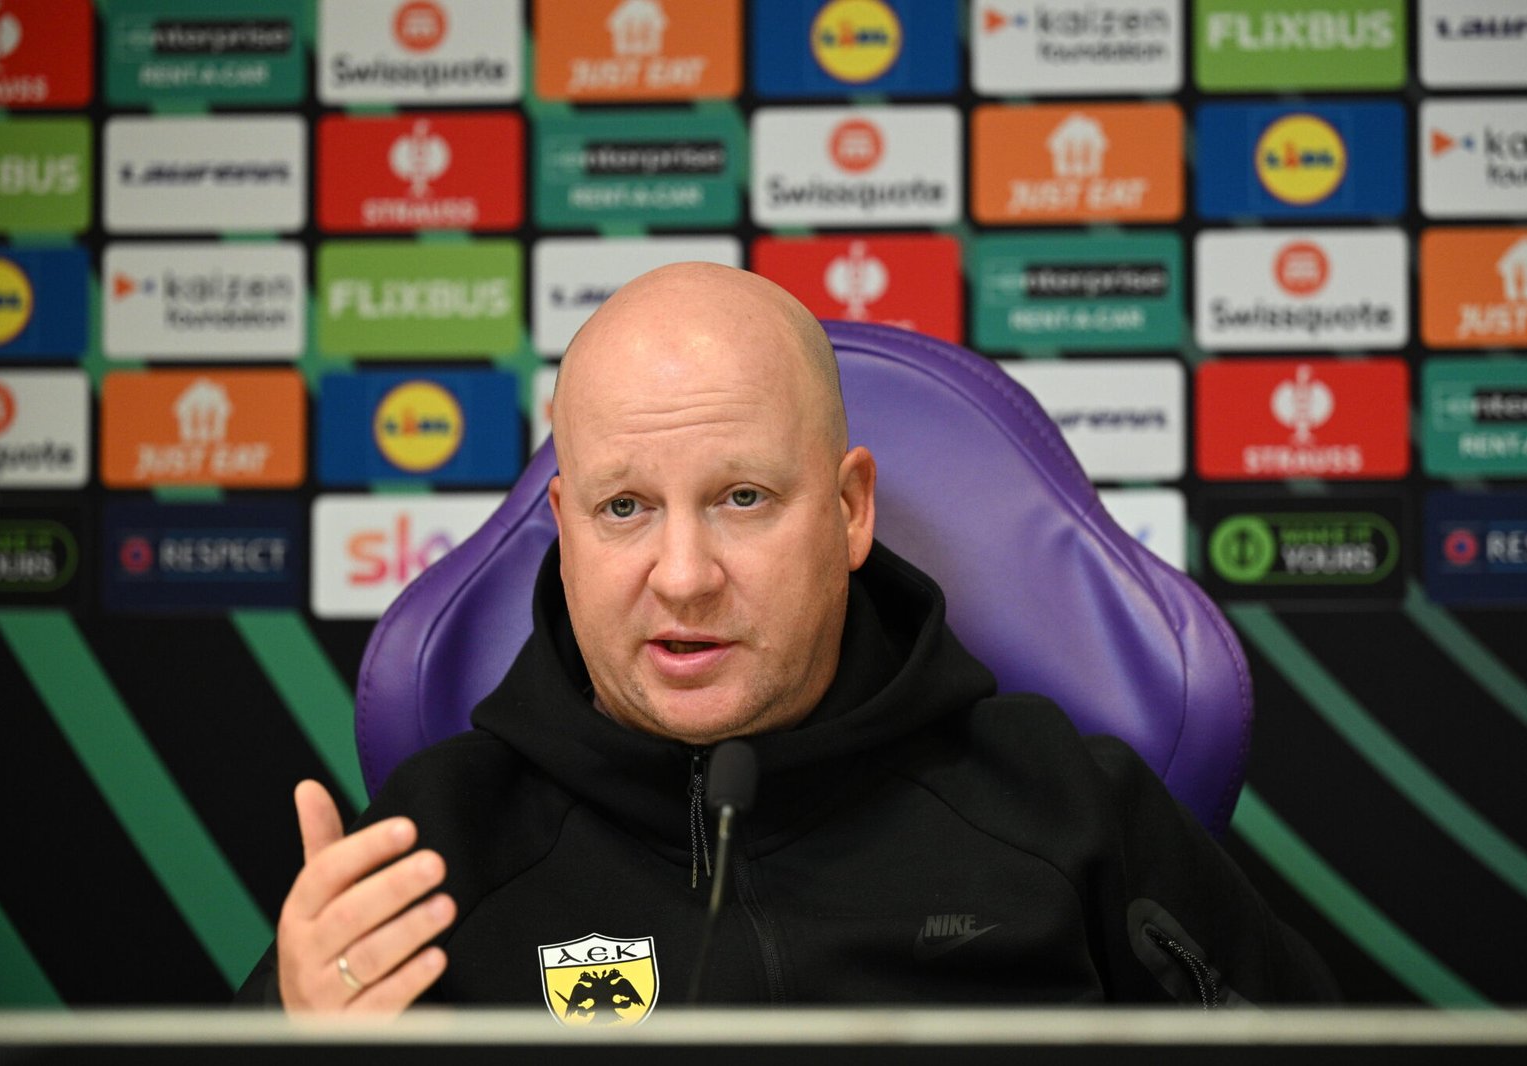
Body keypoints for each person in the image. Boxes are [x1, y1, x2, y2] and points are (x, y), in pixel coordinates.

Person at [237, 263, 1335, 1015]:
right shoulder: (430, 852)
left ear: (850, 511)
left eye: (743, 498)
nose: (683, 576)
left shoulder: (1073, 808)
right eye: (624, 508)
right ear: (565, 530)